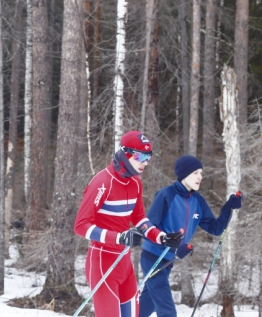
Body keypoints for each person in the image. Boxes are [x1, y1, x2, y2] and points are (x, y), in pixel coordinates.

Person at [74, 131, 183, 317]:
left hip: (124, 262)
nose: (145, 162)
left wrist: (162, 237)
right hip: (103, 262)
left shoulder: (135, 184)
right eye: (141, 156)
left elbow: (140, 219)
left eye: (148, 157)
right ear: (125, 153)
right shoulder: (102, 183)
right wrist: (119, 237)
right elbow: (81, 225)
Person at [138, 155, 243, 317]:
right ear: (183, 174)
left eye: (201, 173)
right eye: (195, 173)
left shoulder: (198, 201)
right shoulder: (166, 195)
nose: (200, 177)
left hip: (168, 261)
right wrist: (172, 245)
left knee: (146, 305)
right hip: (153, 257)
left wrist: (228, 208)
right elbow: (148, 227)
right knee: (167, 311)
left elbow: (215, 228)